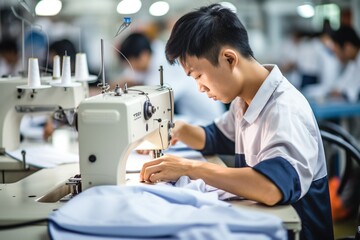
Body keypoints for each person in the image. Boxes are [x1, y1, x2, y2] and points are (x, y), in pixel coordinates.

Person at [140, 4, 333, 240]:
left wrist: (189, 168)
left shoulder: (284, 110)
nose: (199, 88)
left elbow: (271, 188)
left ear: (229, 59)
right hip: (267, 221)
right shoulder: (244, 101)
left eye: (199, 75)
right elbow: (216, 137)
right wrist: (176, 129)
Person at [116, 32, 225, 125]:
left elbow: (156, 98)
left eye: (131, 64)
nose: (132, 68)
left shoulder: (164, 65)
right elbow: (128, 78)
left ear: (143, 56)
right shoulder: (152, 53)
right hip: (191, 115)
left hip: (206, 119)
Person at [328, 25, 360, 102]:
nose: (337, 56)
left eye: (337, 52)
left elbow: (354, 93)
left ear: (347, 47)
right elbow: (341, 84)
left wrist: (341, 92)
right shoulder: (353, 62)